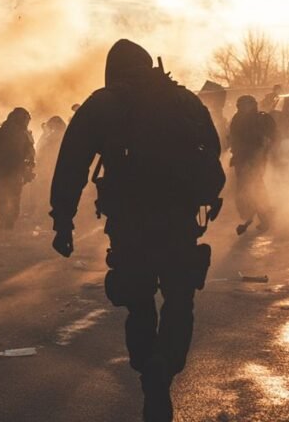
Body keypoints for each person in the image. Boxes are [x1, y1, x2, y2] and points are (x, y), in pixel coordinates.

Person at [50, 39, 224, 422]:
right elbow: (212, 151)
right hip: (179, 222)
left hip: (130, 225)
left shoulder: (103, 103)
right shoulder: (185, 101)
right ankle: (167, 362)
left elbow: (72, 164)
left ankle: (150, 372)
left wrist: (63, 220)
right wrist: (207, 195)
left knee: (139, 302)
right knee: (180, 301)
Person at [229, 95, 277, 235]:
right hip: (241, 159)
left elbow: (269, 139)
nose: (244, 108)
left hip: (254, 159)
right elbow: (233, 138)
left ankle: (263, 216)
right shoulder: (237, 120)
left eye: (246, 105)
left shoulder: (260, 119)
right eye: (241, 105)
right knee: (244, 189)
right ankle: (253, 214)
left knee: (255, 187)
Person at [0, 107, 36, 230]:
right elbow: (30, 154)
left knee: (3, 198)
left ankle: (6, 221)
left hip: (3, 170)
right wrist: (29, 169)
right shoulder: (23, 135)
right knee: (13, 198)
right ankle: (8, 223)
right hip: (13, 170)